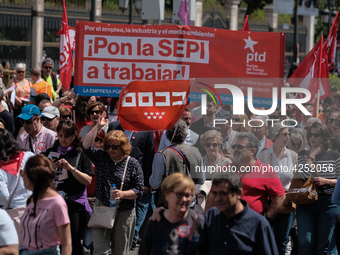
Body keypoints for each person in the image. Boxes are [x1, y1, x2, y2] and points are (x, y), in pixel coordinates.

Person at [83, 113, 144, 255]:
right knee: (100, 251)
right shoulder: (102, 157)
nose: (110, 150)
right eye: (108, 146)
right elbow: (86, 146)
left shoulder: (132, 163)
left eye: (114, 147)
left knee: (120, 252)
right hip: (102, 208)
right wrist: (97, 126)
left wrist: (123, 194)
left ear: (123, 147)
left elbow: (139, 190)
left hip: (124, 212)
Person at [45, 120, 94, 255]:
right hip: (53, 203)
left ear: (74, 136)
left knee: (73, 240)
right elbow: (39, 179)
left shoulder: (81, 154)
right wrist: (49, 168)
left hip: (74, 204)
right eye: (60, 135)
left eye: (66, 136)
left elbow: (88, 180)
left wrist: (71, 169)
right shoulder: (50, 152)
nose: (63, 139)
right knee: (55, 240)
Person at [107, 118, 155, 250]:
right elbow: (106, 152)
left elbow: (148, 156)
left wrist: (146, 182)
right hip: (113, 182)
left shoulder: (146, 130)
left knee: (134, 214)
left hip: (134, 181)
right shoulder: (114, 125)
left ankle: (130, 240)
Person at [204, 171, 279, 255]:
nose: (218, 199)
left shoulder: (259, 225)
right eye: (215, 194)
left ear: (238, 193)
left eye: (223, 194)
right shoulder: (211, 217)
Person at [297, 122, 340, 255]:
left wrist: (326, 181)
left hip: (328, 203)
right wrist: (311, 156)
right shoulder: (303, 154)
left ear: (324, 137)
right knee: (305, 242)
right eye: (310, 134)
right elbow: (302, 176)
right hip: (306, 202)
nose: (312, 138)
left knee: (322, 246)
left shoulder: (335, 155)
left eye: (317, 135)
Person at [139, 172, 205, 255]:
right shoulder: (155, 222)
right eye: (179, 194)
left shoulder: (199, 222)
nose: (184, 199)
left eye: (188, 195)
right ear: (166, 195)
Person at [20, 154, 72, 255]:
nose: (22, 175)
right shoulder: (31, 200)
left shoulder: (57, 203)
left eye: (24, 172)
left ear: (34, 177)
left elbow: (66, 244)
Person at [258, 123, 297, 255]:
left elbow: (296, 180)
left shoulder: (292, 155)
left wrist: (291, 196)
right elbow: (258, 177)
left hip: (286, 202)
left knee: (282, 240)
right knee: (268, 238)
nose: (287, 137)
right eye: (284, 134)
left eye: (288, 134)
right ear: (275, 136)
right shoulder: (264, 155)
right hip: (268, 202)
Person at [150, 119, 204, 192]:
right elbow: (201, 180)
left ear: (167, 136)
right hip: (189, 199)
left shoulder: (161, 155)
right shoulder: (196, 152)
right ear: (185, 136)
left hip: (169, 200)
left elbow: (155, 184)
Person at [0, 129, 34, 244]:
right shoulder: (28, 156)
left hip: (12, 215)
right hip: (33, 210)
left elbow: (3, 196)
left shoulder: (0, 170)